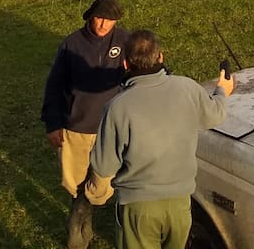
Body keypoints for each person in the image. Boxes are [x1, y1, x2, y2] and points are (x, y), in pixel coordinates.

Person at [85, 29, 235, 249]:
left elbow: (104, 166)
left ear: (125, 64)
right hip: (180, 204)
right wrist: (222, 91)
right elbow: (216, 114)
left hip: (138, 207)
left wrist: (94, 195)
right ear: (161, 57)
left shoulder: (117, 107)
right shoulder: (187, 88)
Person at [41, 0, 131, 249]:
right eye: (100, 18)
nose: (103, 24)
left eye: (109, 20)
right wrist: (53, 124)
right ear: (91, 16)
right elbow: (54, 85)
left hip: (111, 127)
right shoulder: (72, 44)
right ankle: (78, 223)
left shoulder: (125, 40)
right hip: (76, 127)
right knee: (76, 183)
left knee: (103, 182)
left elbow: (145, 69)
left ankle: (82, 217)